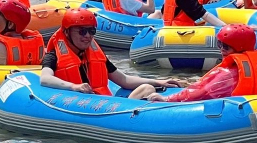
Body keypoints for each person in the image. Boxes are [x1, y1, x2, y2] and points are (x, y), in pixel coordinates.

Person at [39, 8, 178, 97]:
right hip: (77, 103)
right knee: (147, 90)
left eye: (91, 31)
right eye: (82, 31)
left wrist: (159, 81)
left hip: (103, 104)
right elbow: (45, 78)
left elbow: (124, 80)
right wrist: (73, 86)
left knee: (147, 88)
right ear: (67, 33)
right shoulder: (54, 56)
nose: (87, 36)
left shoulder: (96, 55)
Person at [142, 25, 257, 102]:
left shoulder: (227, 74)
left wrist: (166, 99)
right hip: (246, 106)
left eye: (226, 46)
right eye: (219, 44)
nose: (221, 49)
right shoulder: (249, 68)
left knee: (145, 91)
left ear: (239, 48)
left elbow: (199, 93)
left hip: (225, 111)